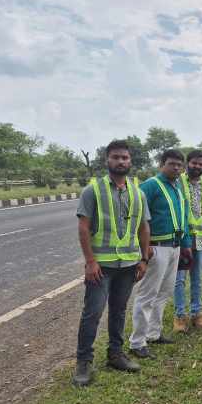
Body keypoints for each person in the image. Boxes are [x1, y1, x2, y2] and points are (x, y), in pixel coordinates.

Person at [72, 140, 151, 386]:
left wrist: (143, 258)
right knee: (93, 313)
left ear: (130, 161)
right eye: (116, 157)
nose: (121, 162)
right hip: (101, 266)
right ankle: (84, 363)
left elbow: (143, 226)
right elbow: (83, 228)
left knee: (118, 311)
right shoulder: (93, 191)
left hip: (128, 265)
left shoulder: (138, 193)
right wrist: (90, 261)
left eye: (125, 158)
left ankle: (115, 354)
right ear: (107, 160)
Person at [128, 149, 191, 359]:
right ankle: (137, 341)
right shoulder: (150, 186)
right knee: (147, 294)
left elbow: (181, 217)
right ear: (162, 164)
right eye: (171, 164)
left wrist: (185, 244)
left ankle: (153, 333)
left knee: (164, 292)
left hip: (174, 246)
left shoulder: (177, 186)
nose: (176, 168)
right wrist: (144, 250)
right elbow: (138, 220)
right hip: (157, 247)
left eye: (179, 165)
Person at [173, 150, 202, 332]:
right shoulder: (177, 182)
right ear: (187, 163)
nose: (197, 166)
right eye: (194, 163)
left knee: (197, 278)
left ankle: (196, 314)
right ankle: (180, 316)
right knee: (179, 279)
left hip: (201, 239)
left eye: (201, 164)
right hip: (182, 239)